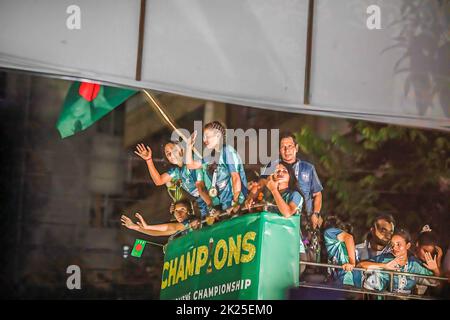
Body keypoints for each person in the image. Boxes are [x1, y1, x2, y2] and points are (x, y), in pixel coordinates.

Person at [186, 121, 248, 218]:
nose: (204, 139)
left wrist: (235, 202)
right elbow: (190, 165)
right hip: (224, 206)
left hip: (236, 203)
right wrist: (189, 146)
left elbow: (235, 177)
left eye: (207, 136)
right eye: (203, 137)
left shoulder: (227, 150)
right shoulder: (211, 156)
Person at [134, 141, 211, 218]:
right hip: (202, 203)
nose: (171, 154)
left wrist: (211, 207)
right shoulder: (176, 172)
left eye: (173, 150)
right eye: (168, 154)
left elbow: (201, 187)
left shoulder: (194, 160)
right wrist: (149, 160)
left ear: (181, 149)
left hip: (212, 197)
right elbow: (158, 181)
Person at [357, 229, 440, 294]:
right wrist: (384, 266)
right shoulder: (385, 258)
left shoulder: (414, 264)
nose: (394, 248)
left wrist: (435, 269)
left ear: (408, 246)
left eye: (398, 244)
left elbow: (435, 282)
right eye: (392, 244)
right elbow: (360, 265)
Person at [121, 199, 200, 237]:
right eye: (176, 210)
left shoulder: (193, 221)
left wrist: (148, 226)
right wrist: (135, 227)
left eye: (182, 209)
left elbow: (172, 227)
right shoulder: (179, 228)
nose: (178, 213)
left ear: (189, 211)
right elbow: (155, 233)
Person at [323, 216, 358, 286]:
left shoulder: (328, 232)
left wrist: (352, 263)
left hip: (346, 277)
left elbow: (349, 237)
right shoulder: (337, 243)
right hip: (339, 278)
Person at [414, 225, 443, 295]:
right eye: (425, 251)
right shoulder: (408, 258)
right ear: (417, 244)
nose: (427, 256)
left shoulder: (428, 265)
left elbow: (439, 288)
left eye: (431, 253)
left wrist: (437, 263)